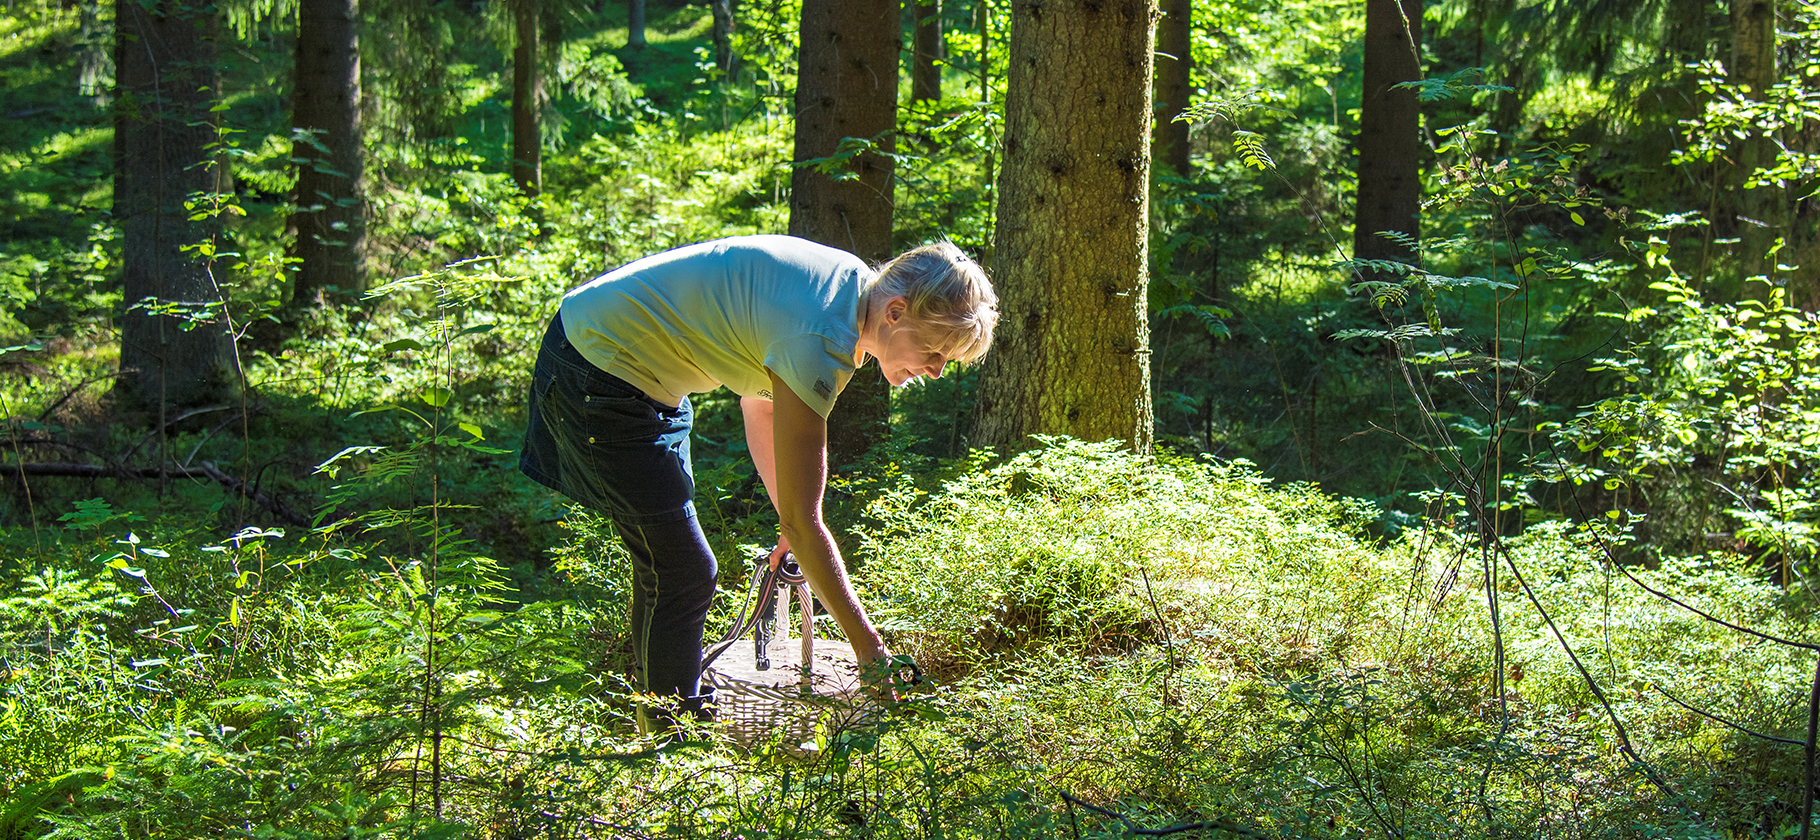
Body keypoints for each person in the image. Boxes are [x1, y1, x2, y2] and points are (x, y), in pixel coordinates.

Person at [518, 234, 997, 736]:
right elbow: (803, 513)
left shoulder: (852, 292)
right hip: (599, 369)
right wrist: (871, 652)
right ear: (896, 312)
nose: (936, 370)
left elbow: (762, 402)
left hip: (636, 373)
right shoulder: (819, 337)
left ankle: (657, 722)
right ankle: (671, 750)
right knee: (682, 569)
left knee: (668, 565)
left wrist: (791, 520)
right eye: (934, 350)